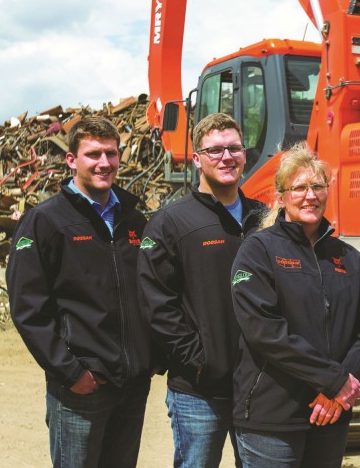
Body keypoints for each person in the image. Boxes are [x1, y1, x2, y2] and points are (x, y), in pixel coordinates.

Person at [7, 115, 157, 468]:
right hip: (82, 386)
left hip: (131, 385)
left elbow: (152, 293)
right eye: (93, 154)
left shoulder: (133, 221)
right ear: (71, 160)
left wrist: (150, 359)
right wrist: (71, 372)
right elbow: (28, 308)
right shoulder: (46, 221)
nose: (104, 163)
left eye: (111, 153)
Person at [229, 142, 360, 467]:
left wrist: (341, 386)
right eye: (299, 188)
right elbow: (264, 331)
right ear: (280, 197)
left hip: (331, 412)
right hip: (273, 419)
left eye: (317, 186)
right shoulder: (258, 251)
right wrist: (333, 380)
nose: (310, 195)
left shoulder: (348, 258)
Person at [138, 113, 266, 468]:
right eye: (215, 150)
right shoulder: (171, 222)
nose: (227, 157)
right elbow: (156, 303)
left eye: (234, 148)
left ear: (244, 154)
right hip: (199, 391)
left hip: (257, 385)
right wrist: (198, 361)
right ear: (196, 159)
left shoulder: (265, 217)